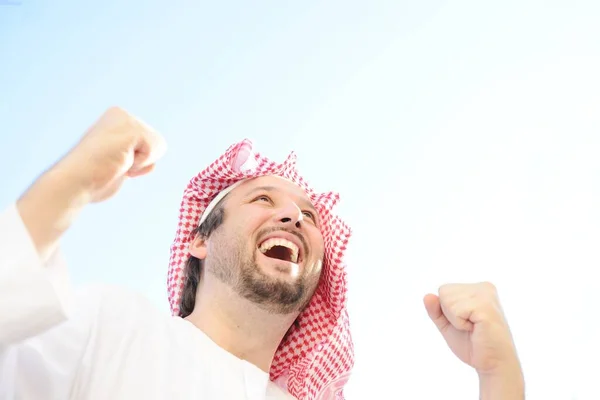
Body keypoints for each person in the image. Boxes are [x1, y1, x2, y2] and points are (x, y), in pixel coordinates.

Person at [0, 107, 525, 399]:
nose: (294, 216)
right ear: (199, 240)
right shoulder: (112, 326)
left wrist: (498, 375)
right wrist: (66, 186)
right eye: (262, 199)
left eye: (309, 215)